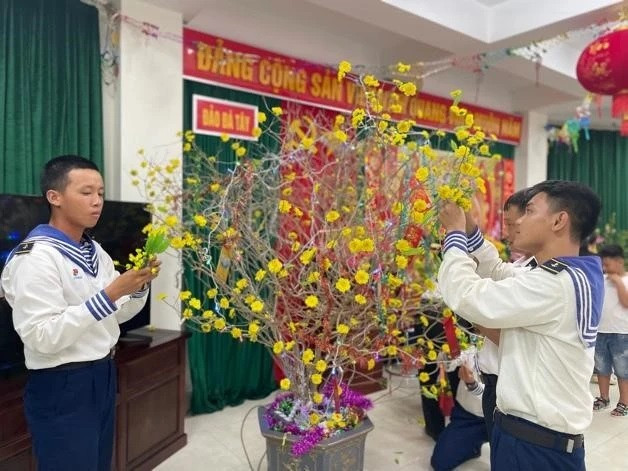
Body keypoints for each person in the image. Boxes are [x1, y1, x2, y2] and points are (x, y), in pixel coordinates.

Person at [0, 155, 161, 471]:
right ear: (54, 197)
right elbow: (42, 337)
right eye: (86, 192)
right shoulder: (36, 257)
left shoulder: (95, 251)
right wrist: (111, 293)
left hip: (101, 374)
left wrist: (137, 288)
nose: (97, 202)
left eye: (100, 193)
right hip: (62, 383)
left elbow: (114, 316)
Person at [437, 180, 603, 470]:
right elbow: (503, 274)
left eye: (528, 211)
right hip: (532, 437)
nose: (518, 222)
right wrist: (470, 232)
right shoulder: (565, 275)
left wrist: (454, 236)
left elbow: (467, 296)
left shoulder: (554, 284)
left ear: (559, 220)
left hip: (535, 447)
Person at [467, 189, 536, 439]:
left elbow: (513, 339)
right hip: (494, 381)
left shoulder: (537, 278)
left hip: (509, 384)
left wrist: (474, 314)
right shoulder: (520, 267)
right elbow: (492, 266)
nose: (506, 231)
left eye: (511, 223)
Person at [430, 364, 488, 470]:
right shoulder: (471, 347)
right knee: (440, 462)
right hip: (468, 415)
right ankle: (472, 446)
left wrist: (473, 385)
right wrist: (446, 357)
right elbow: (450, 364)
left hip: (502, 420)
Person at [592, 244, 628, 417]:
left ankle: (624, 402)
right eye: (603, 264)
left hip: (621, 333)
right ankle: (603, 397)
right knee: (602, 367)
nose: (605, 268)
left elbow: (626, 303)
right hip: (601, 331)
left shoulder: (626, 280)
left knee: (622, 370)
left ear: (619, 262)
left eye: (608, 264)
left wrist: (619, 282)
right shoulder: (602, 280)